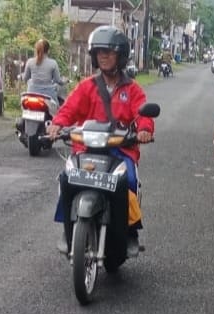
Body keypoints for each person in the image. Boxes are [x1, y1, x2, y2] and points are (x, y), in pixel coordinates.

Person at [46, 25, 155, 259]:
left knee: (130, 182)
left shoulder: (132, 89)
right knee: (66, 178)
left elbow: (143, 114)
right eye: (99, 52)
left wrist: (145, 129)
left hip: (120, 149)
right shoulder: (86, 86)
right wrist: (57, 124)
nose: (104, 56)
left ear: (121, 55)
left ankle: (130, 232)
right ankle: (68, 227)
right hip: (86, 148)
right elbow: (68, 110)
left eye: (109, 51)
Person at [23, 38, 65, 102]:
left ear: (37, 49)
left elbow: (25, 79)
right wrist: (64, 81)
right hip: (48, 95)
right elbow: (57, 80)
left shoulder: (30, 62)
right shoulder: (53, 63)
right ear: (48, 50)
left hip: (32, 94)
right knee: (57, 108)